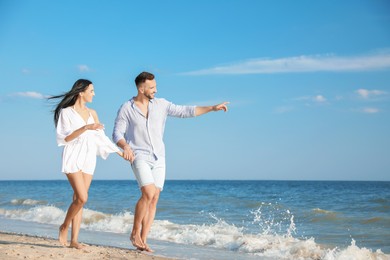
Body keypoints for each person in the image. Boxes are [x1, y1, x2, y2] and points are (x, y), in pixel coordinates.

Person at [112, 71, 229, 252]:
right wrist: (125, 146)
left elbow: (186, 111)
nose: (155, 90)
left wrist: (211, 108)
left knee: (154, 198)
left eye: (156, 87)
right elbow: (117, 133)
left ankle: (143, 240)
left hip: (159, 157)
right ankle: (135, 232)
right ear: (141, 88)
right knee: (148, 193)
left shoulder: (162, 105)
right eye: (152, 87)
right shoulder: (127, 108)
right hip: (139, 156)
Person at [49, 79, 122, 249]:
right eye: (92, 90)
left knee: (79, 200)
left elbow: (101, 138)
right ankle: (64, 226)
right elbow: (64, 138)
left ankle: (74, 240)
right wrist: (85, 128)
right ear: (81, 92)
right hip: (73, 155)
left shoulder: (93, 113)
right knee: (82, 197)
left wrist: (119, 152)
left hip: (89, 157)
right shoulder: (66, 113)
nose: (94, 94)